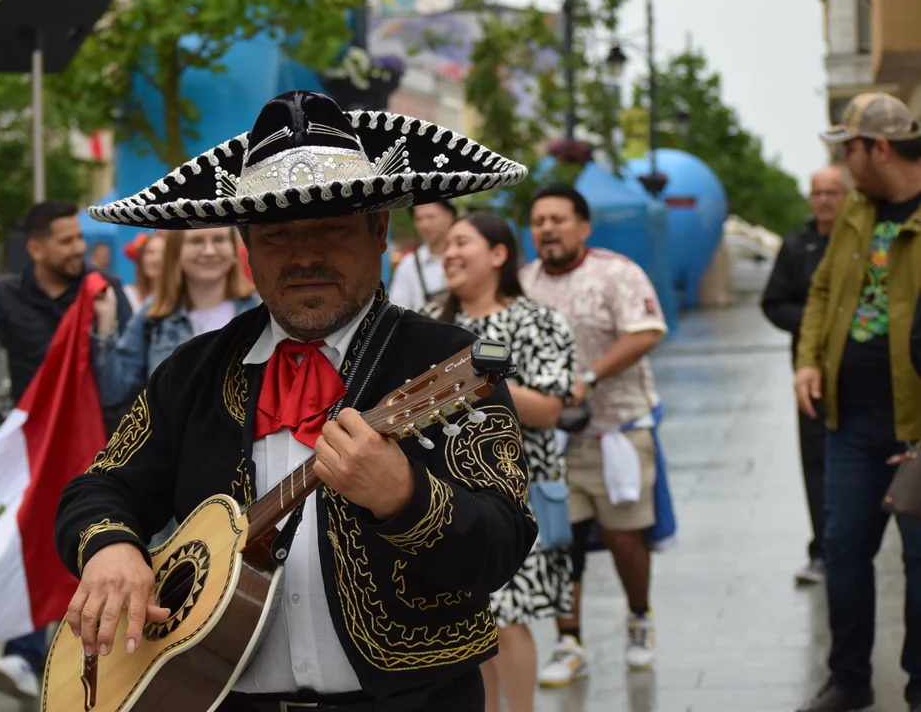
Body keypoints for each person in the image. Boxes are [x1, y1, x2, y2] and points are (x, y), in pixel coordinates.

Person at [56, 89, 537, 711]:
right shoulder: (194, 371)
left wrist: (404, 497)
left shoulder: (446, 365)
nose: (306, 255)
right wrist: (109, 547)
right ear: (247, 247)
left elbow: (502, 546)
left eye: (332, 228)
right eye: (279, 234)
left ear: (379, 229)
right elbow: (97, 488)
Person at [0, 199, 132, 701]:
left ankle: (62, 665)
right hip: (34, 449)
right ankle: (26, 656)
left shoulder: (102, 292)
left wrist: (106, 323)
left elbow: (124, 364)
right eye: (66, 241)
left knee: (78, 543)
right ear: (36, 248)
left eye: (79, 239)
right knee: (30, 538)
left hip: (96, 442)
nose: (78, 249)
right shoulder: (4, 296)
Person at [794, 92, 921, 712]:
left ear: (879, 147)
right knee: (843, 549)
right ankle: (849, 679)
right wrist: (808, 361)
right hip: (851, 417)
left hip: (915, 420)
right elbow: (821, 292)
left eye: (850, 147)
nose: (844, 162)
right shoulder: (856, 210)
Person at [422, 212, 575, 712]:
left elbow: (551, 408)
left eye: (462, 242)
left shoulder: (538, 321)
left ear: (498, 253)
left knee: (508, 617)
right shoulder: (425, 323)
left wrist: (477, 382)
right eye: (445, 246)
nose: (449, 253)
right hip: (441, 497)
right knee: (468, 618)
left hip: (517, 496)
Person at [518, 185, 667, 686]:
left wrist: (590, 376)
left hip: (616, 431)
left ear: (583, 226)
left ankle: (640, 617)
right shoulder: (523, 283)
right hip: (551, 442)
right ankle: (570, 641)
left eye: (559, 219)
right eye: (539, 220)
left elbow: (647, 330)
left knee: (624, 536)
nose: (548, 228)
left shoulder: (616, 273)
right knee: (563, 540)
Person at [761, 166, 848, 586]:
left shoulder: (859, 240)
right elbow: (773, 303)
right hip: (811, 372)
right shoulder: (797, 246)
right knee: (816, 462)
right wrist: (815, 323)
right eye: (819, 193)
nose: (826, 200)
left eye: (833, 192)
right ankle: (823, 549)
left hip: (861, 373)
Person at [92, 225, 259, 409]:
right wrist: (106, 326)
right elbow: (113, 392)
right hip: (173, 436)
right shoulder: (154, 314)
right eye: (196, 241)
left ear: (234, 248)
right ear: (176, 250)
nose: (210, 251)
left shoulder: (259, 312)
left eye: (219, 240)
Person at [387, 200, 455, 309]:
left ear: (449, 216)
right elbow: (399, 310)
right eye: (419, 219)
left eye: (430, 217)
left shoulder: (465, 258)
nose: (424, 225)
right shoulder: (409, 265)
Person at [122, 232, 166, 311]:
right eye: (150, 252)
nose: (156, 259)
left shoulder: (178, 298)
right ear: (140, 258)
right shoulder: (127, 295)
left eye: (163, 253)